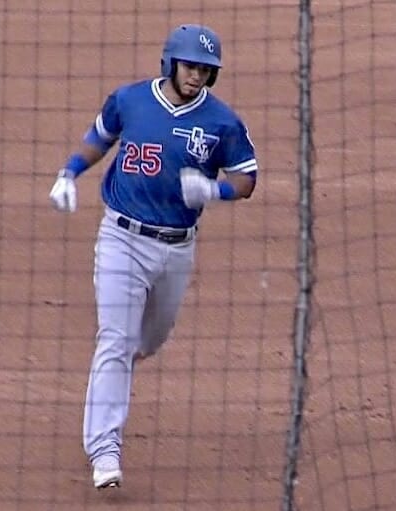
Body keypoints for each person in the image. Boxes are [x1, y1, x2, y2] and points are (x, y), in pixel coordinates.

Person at [49, 23, 258, 489]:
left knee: (149, 340)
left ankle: (125, 359)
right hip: (121, 239)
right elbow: (99, 137)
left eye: (205, 70)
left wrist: (216, 191)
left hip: (177, 249)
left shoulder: (222, 123)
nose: (196, 76)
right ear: (170, 63)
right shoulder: (130, 100)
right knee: (115, 340)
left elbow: (246, 178)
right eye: (190, 66)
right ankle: (104, 449)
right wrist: (69, 172)